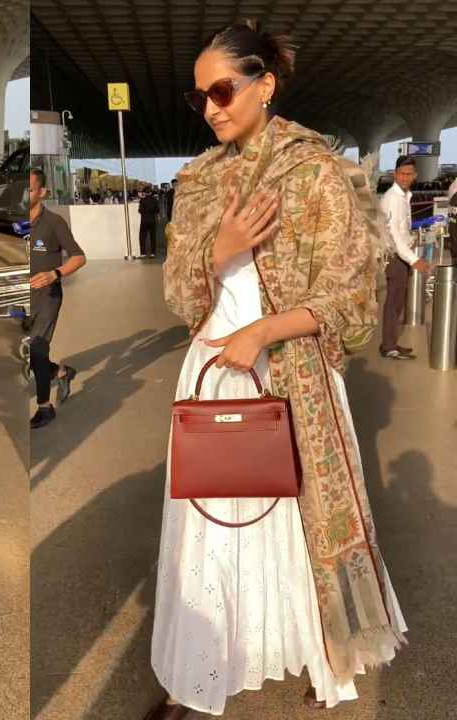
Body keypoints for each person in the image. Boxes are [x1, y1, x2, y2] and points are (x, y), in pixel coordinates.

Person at [153, 21, 406, 720]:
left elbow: (352, 287)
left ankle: (326, 653)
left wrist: (264, 329)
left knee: (302, 522)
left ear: (264, 86)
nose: (211, 107)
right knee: (209, 524)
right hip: (212, 367)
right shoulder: (198, 181)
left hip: (289, 372)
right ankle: (196, 673)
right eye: (198, 96)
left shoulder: (315, 169)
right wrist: (220, 251)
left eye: (224, 90)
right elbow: (178, 293)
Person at [27, 169, 85, 430]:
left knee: (37, 350)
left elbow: (78, 256)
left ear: (42, 193)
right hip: (19, 298)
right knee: (26, 355)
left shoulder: (54, 222)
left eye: (29, 189)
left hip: (46, 298)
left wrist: (55, 274)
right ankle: (61, 372)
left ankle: (44, 408)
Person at [379, 156, 428, 359]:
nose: (405, 177)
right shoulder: (392, 198)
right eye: (401, 173)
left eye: (409, 174)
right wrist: (412, 259)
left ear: (415, 175)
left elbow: (402, 229)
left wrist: (411, 239)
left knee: (397, 301)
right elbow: (393, 233)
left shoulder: (404, 196)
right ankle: (388, 346)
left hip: (402, 254)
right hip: (395, 257)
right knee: (393, 302)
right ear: (395, 173)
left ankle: (392, 343)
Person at [138, 187, 160, 257]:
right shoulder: (155, 200)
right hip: (152, 220)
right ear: (151, 192)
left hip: (144, 220)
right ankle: (153, 253)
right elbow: (157, 210)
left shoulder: (142, 200)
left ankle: (143, 253)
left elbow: (140, 210)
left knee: (142, 237)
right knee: (152, 237)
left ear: (145, 193)